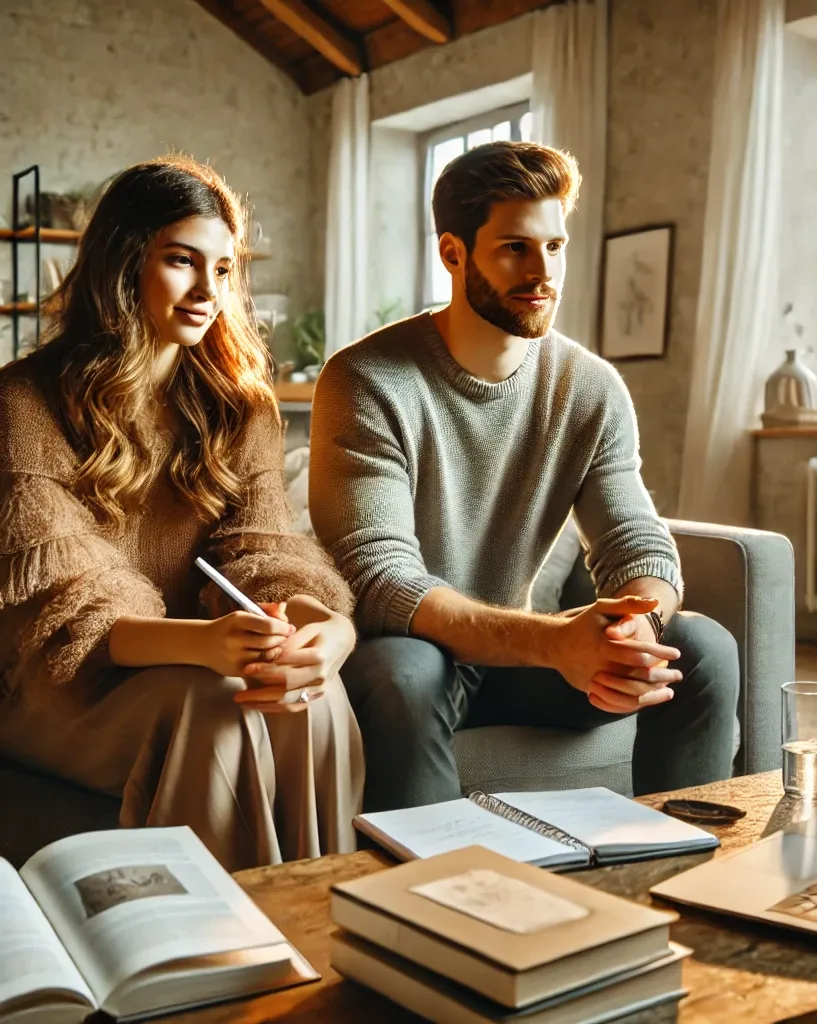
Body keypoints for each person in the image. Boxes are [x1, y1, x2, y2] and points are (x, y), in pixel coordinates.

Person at [309, 141, 739, 812]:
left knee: (701, 647)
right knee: (404, 672)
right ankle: (432, 896)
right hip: (413, 650)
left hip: (518, 658)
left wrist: (637, 626)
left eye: (555, 246)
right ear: (454, 253)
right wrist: (554, 641)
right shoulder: (367, 378)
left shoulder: (590, 386)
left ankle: (688, 873)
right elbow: (383, 580)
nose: (543, 273)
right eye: (515, 247)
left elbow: (634, 541)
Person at [0, 157, 363, 869]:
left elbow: (264, 552)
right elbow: (69, 617)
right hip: (54, 687)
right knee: (212, 702)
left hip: (190, 662)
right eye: (181, 261)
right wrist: (204, 644)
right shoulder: (21, 404)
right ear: (123, 265)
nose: (208, 290)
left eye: (224, 270)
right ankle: (206, 962)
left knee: (308, 697)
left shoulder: (240, 408)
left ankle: (314, 932)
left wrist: (331, 631)